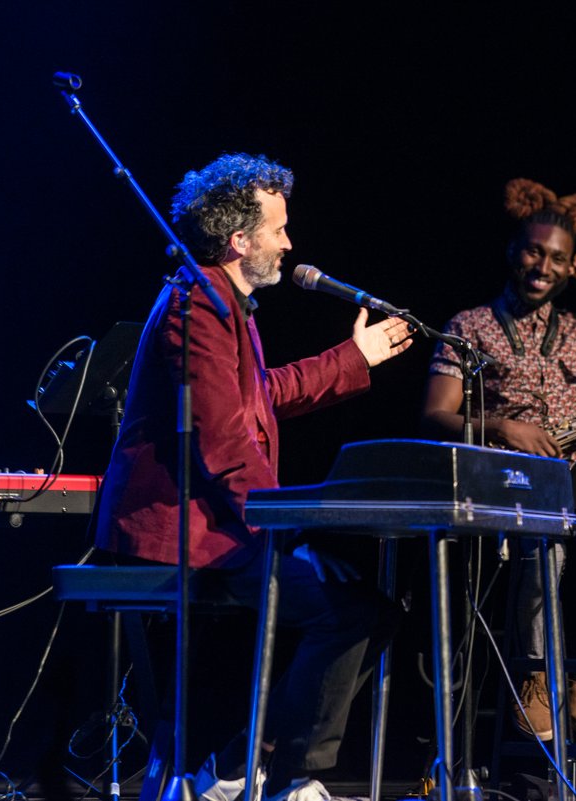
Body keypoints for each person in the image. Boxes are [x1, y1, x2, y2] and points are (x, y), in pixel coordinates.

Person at [94, 153, 413, 801]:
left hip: (222, 530)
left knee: (367, 609)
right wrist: (285, 532)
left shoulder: (225, 304)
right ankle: (280, 774)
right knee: (348, 612)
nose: (289, 243)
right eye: (279, 229)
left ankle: (241, 762)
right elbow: (223, 441)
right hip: (184, 536)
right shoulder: (196, 305)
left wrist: (354, 357)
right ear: (240, 239)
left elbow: (260, 395)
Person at [420, 179, 576, 743]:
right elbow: (434, 416)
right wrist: (504, 427)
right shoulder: (469, 326)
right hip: (509, 478)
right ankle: (535, 677)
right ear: (513, 251)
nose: (542, 267)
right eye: (534, 251)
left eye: (558, 258)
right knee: (544, 545)